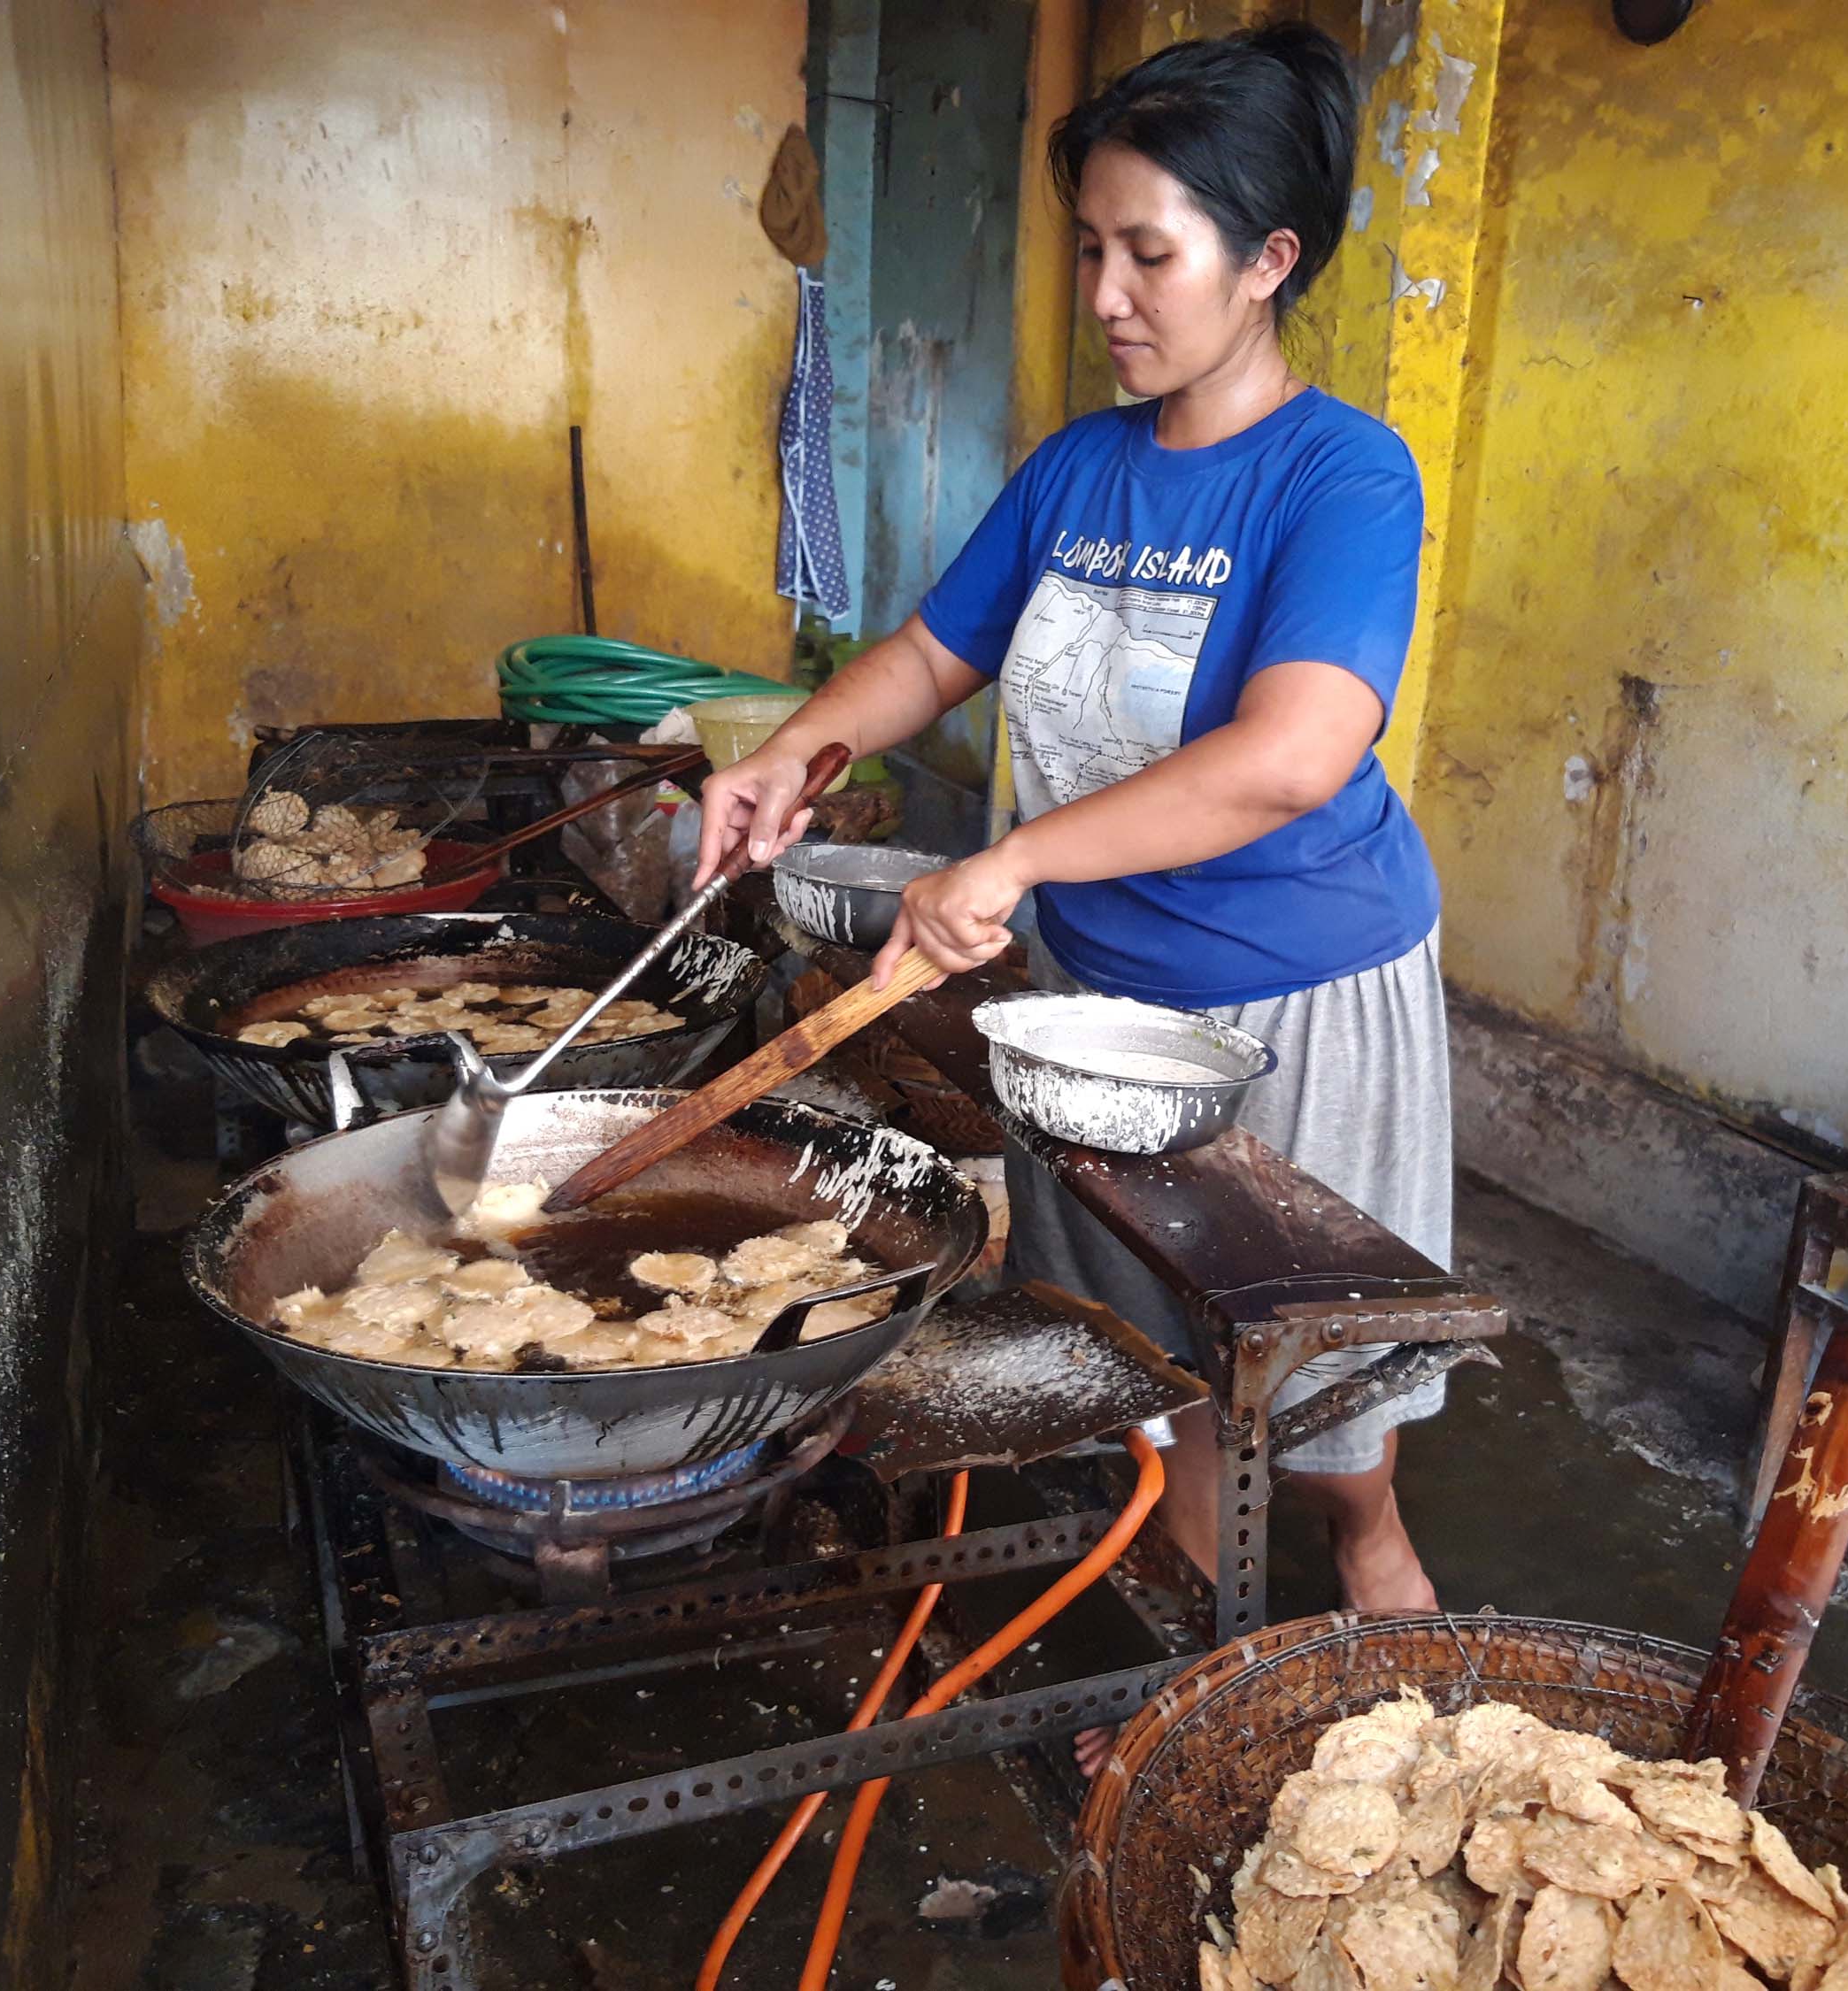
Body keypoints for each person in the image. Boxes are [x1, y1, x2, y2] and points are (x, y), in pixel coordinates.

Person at [694, 22, 1451, 1724]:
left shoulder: (1342, 475)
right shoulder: (1077, 469)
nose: (1108, 293)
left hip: (1296, 986)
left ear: (1271, 261)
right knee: (1150, 1346)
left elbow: (1290, 754)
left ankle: (1371, 1542)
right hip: (1103, 1000)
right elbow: (930, 654)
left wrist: (1015, 857)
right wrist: (788, 754)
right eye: (1092, 250)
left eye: (1150, 255)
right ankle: (1194, 1628)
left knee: (1313, 1359)